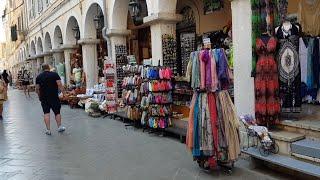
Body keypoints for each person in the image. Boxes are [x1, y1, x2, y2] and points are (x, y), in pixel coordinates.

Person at [36, 64, 66, 135]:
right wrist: (64, 93)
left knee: (46, 113)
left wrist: (39, 96)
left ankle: (48, 130)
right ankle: (59, 127)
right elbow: (59, 85)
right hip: (54, 97)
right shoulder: (55, 74)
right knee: (57, 112)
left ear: (42, 69)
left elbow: (37, 89)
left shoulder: (38, 77)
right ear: (49, 68)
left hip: (44, 98)